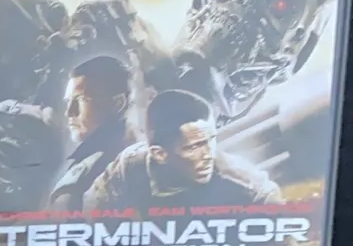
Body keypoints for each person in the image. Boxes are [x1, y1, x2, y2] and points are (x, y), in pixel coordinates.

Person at [86, 87, 278, 211]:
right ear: (159, 154)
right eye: (193, 147)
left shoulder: (243, 181)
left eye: (211, 139)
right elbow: (93, 207)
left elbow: (276, 210)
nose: (209, 155)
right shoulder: (130, 166)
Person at [47, 54, 133, 211]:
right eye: (68, 101)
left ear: (117, 103)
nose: (69, 112)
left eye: (81, 100)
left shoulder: (118, 164)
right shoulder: (91, 158)